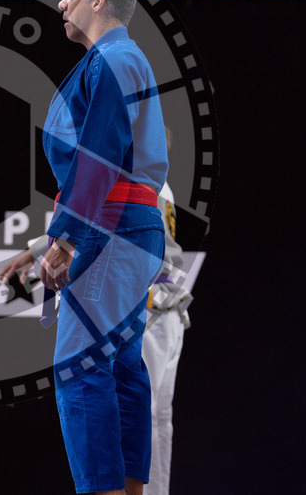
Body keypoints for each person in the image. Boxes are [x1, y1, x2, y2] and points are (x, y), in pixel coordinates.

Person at [0, 0, 168, 495]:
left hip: (109, 229)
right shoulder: (120, 59)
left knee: (82, 367)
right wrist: (50, 239)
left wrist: (67, 239)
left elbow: (99, 156)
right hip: (127, 228)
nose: (61, 3)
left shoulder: (114, 59)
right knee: (119, 368)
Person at [141, 179, 193, 495]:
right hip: (168, 310)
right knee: (159, 419)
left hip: (151, 310)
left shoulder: (142, 180)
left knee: (142, 416)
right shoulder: (161, 181)